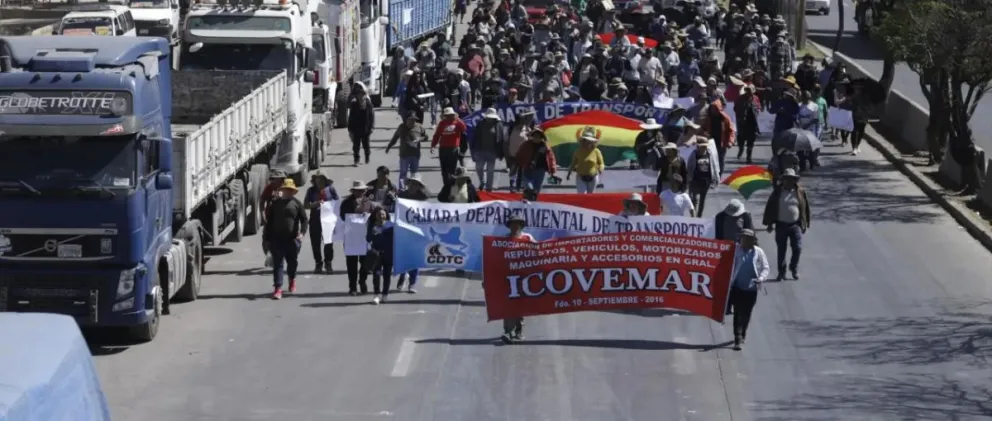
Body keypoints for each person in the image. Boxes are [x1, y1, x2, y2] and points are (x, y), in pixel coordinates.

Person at [761, 169, 810, 281]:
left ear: (794, 180)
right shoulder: (778, 192)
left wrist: (804, 223)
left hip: (795, 225)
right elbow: (770, 207)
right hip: (781, 225)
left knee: (797, 248)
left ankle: (793, 268)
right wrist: (769, 224)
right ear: (783, 180)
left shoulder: (800, 191)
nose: (789, 181)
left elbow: (805, 208)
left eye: (791, 179)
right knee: (781, 250)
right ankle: (781, 272)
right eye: (786, 179)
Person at [263, 178, 308, 299]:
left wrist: (302, 233)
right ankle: (278, 288)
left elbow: (304, 220)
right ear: (283, 190)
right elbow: (269, 222)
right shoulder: (275, 204)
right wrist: (267, 238)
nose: (288, 192)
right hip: (277, 240)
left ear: (293, 192)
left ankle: (292, 279)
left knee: (292, 263)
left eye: (290, 190)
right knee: (278, 264)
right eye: (286, 189)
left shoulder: (297, 204)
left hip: (292, 240)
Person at [727, 229, 769, 351]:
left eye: (745, 238)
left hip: (751, 288)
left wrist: (761, 278)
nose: (742, 240)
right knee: (738, 313)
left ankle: (743, 332)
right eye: (741, 238)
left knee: (747, 313)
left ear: (752, 240)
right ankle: (737, 338)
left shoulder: (758, 252)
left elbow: (765, 268)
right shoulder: (735, 250)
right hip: (737, 287)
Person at [500, 214, 535, 344]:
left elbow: (539, 252)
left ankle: (519, 330)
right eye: (512, 224)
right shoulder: (502, 240)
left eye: (517, 224)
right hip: (508, 278)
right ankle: (508, 331)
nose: (515, 227)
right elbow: (494, 260)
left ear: (521, 225)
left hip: (524, 278)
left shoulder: (528, 238)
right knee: (507, 305)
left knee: (519, 306)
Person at [340, 181, 375, 295]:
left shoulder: (369, 203)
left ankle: (362, 281)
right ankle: (353, 286)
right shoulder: (346, 203)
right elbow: (342, 216)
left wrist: (367, 216)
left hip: (364, 237)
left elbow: (375, 216)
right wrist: (356, 209)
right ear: (353, 191)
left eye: (362, 190)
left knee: (365, 262)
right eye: (358, 190)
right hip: (351, 237)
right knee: (351, 263)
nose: (360, 192)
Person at [396, 174, 429, 293]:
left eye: (416, 184)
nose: (413, 186)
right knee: (403, 256)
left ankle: (412, 283)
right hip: (403, 229)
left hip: (417, 230)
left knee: (414, 257)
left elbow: (427, 197)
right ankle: (402, 277)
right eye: (412, 183)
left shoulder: (422, 196)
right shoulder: (402, 195)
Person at [302, 171, 340, 273]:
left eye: (321, 179)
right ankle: (318, 263)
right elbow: (305, 205)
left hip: (328, 220)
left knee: (328, 243)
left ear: (325, 180)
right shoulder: (311, 191)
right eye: (317, 179)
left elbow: (337, 202)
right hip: (315, 220)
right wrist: (315, 204)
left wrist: (329, 206)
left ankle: (328, 263)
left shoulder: (330, 189)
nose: (318, 181)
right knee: (315, 244)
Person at [385, 114, 428, 190]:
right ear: (406, 120)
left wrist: (419, 139)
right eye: (411, 119)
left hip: (415, 155)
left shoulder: (419, 127)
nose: (413, 121)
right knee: (403, 173)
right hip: (404, 155)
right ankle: (402, 189)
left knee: (414, 174)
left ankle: (414, 189)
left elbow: (426, 137)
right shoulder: (402, 127)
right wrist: (389, 146)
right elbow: (395, 137)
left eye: (414, 120)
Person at [431, 107, 468, 186]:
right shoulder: (442, 123)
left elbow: (464, 128)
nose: (449, 117)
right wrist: (433, 146)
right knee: (444, 169)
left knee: (452, 169)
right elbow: (437, 135)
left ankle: (451, 185)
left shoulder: (457, 123)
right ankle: (446, 185)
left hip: (453, 148)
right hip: (443, 149)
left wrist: (458, 119)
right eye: (447, 115)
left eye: (450, 115)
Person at [367, 206, 395, 304]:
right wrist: (372, 233)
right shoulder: (372, 226)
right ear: (375, 215)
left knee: (387, 275)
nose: (381, 216)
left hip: (389, 254)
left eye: (383, 214)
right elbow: (368, 239)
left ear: (386, 215)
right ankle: (376, 295)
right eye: (379, 214)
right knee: (376, 275)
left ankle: (385, 295)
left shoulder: (392, 225)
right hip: (376, 255)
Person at [515, 129, 557, 194]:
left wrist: (552, 169)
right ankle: (527, 199)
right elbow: (519, 155)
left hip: (540, 170)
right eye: (535, 136)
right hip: (527, 169)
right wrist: (518, 164)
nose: (536, 138)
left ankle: (534, 202)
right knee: (528, 188)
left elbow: (551, 158)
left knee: (536, 189)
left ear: (541, 138)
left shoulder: (545, 147)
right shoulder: (526, 144)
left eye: (538, 136)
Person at [472, 108, 505, 191]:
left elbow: (501, 139)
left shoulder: (499, 124)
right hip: (481, 151)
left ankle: (489, 188)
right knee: (479, 167)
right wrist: (474, 151)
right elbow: (475, 137)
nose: (489, 119)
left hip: (492, 152)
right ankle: (482, 181)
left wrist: (501, 152)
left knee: (490, 170)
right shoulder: (480, 124)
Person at [259, 169, 287, 266]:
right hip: (270, 218)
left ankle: (278, 258)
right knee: (266, 241)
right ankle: (270, 255)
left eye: (277, 179)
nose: (275, 181)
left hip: (282, 219)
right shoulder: (269, 188)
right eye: (274, 179)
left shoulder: (286, 188)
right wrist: (262, 215)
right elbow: (262, 201)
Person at [686, 138, 719, 216]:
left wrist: (716, 178)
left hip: (706, 181)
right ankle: (693, 216)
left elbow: (714, 166)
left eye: (705, 146)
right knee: (694, 199)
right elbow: (689, 167)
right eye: (702, 147)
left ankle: (699, 216)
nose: (704, 148)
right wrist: (688, 179)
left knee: (702, 200)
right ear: (698, 147)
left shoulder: (709, 154)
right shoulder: (694, 155)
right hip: (695, 181)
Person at [568, 127, 605, 193]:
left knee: (590, 197)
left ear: (593, 142)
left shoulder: (596, 151)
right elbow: (573, 163)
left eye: (590, 141)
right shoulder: (578, 151)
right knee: (581, 195)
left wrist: (601, 168)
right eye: (585, 140)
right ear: (582, 141)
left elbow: (601, 163)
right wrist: (569, 174)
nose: (588, 142)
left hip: (593, 178)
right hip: (580, 177)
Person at [347, 82, 375, 166]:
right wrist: (350, 129)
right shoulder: (354, 104)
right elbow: (350, 117)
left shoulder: (368, 104)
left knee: (366, 145)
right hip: (356, 129)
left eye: (362, 95)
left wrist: (372, 127)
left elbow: (371, 116)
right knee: (356, 146)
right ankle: (356, 159)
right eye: (359, 95)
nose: (360, 96)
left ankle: (367, 156)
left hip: (366, 129)